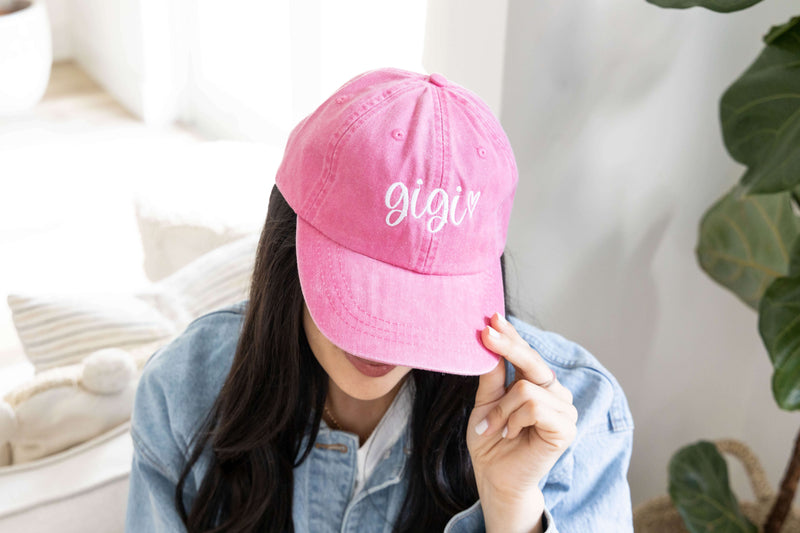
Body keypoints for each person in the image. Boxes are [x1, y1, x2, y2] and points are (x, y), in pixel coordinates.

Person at [124, 68, 635, 532]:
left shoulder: (580, 423)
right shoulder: (182, 394)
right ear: (289, 245)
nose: (387, 341)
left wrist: (511, 508)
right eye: (369, 291)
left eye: (425, 302)